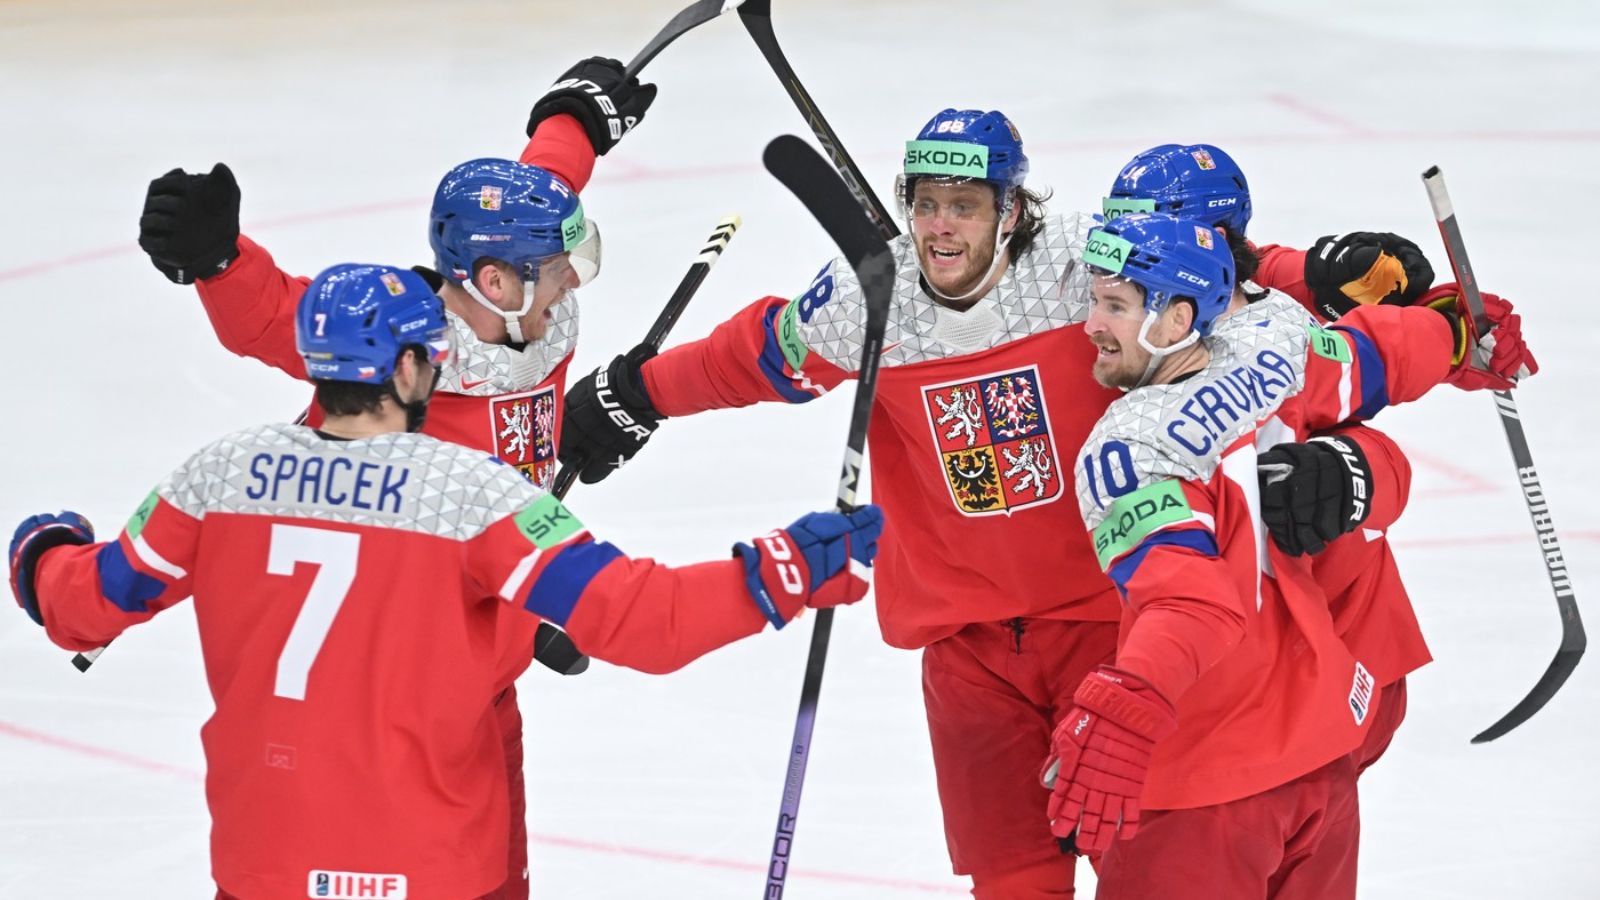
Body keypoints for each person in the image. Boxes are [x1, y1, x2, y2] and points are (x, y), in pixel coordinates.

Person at [550, 109, 1432, 897]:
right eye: (926, 201)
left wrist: (1303, 270)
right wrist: (639, 392)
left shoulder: (1083, 264)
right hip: (971, 653)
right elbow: (758, 354)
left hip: (1107, 625)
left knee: (1155, 864)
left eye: (965, 204)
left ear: (1012, 209)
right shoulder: (870, 293)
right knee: (1011, 881)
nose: (941, 224)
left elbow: (1210, 272)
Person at [7, 263, 883, 900]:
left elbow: (83, 606)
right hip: (430, 869)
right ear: (405, 369)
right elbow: (640, 621)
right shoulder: (472, 493)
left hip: (261, 866)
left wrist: (42, 551)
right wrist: (789, 568)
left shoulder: (219, 475)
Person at [134, 55, 650, 898]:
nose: (570, 282)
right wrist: (220, 261)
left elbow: (536, 185)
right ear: (494, 281)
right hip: (405, 675)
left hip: (482, 662)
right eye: (556, 268)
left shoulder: (531, 301)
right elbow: (277, 319)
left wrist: (573, 124)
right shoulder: (405, 346)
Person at [1044, 211, 1530, 898]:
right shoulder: (1277, 350)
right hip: (1318, 756)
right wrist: (1460, 333)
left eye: (1114, 306)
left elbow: (1189, 599)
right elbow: (1377, 353)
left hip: (1205, 788)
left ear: (1177, 319)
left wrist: (1131, 697)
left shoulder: (1129, 450)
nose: (1090, 323)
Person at [1102, 141, 1538, 777]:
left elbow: (1377, 369)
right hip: (1244, 673)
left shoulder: (1265, 333)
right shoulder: (1133, 316)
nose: (1118, 251)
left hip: (1332, 643)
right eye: (1115, 229)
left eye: (1144, 231)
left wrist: (1452, 330)